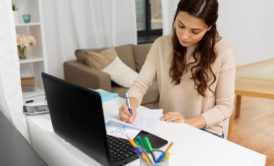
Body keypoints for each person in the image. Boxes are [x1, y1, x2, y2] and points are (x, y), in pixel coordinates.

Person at [119, 0, 235, 137]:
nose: (184, 36)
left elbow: (225, 107)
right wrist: (131, 104)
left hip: (205, 129)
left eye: (195, 31)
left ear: (209, 27)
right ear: (175, 17)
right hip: (168, 126)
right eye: (180, 25)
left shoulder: (223, 53)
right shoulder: (161, 45)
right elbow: (140, 84)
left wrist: (187, 123)